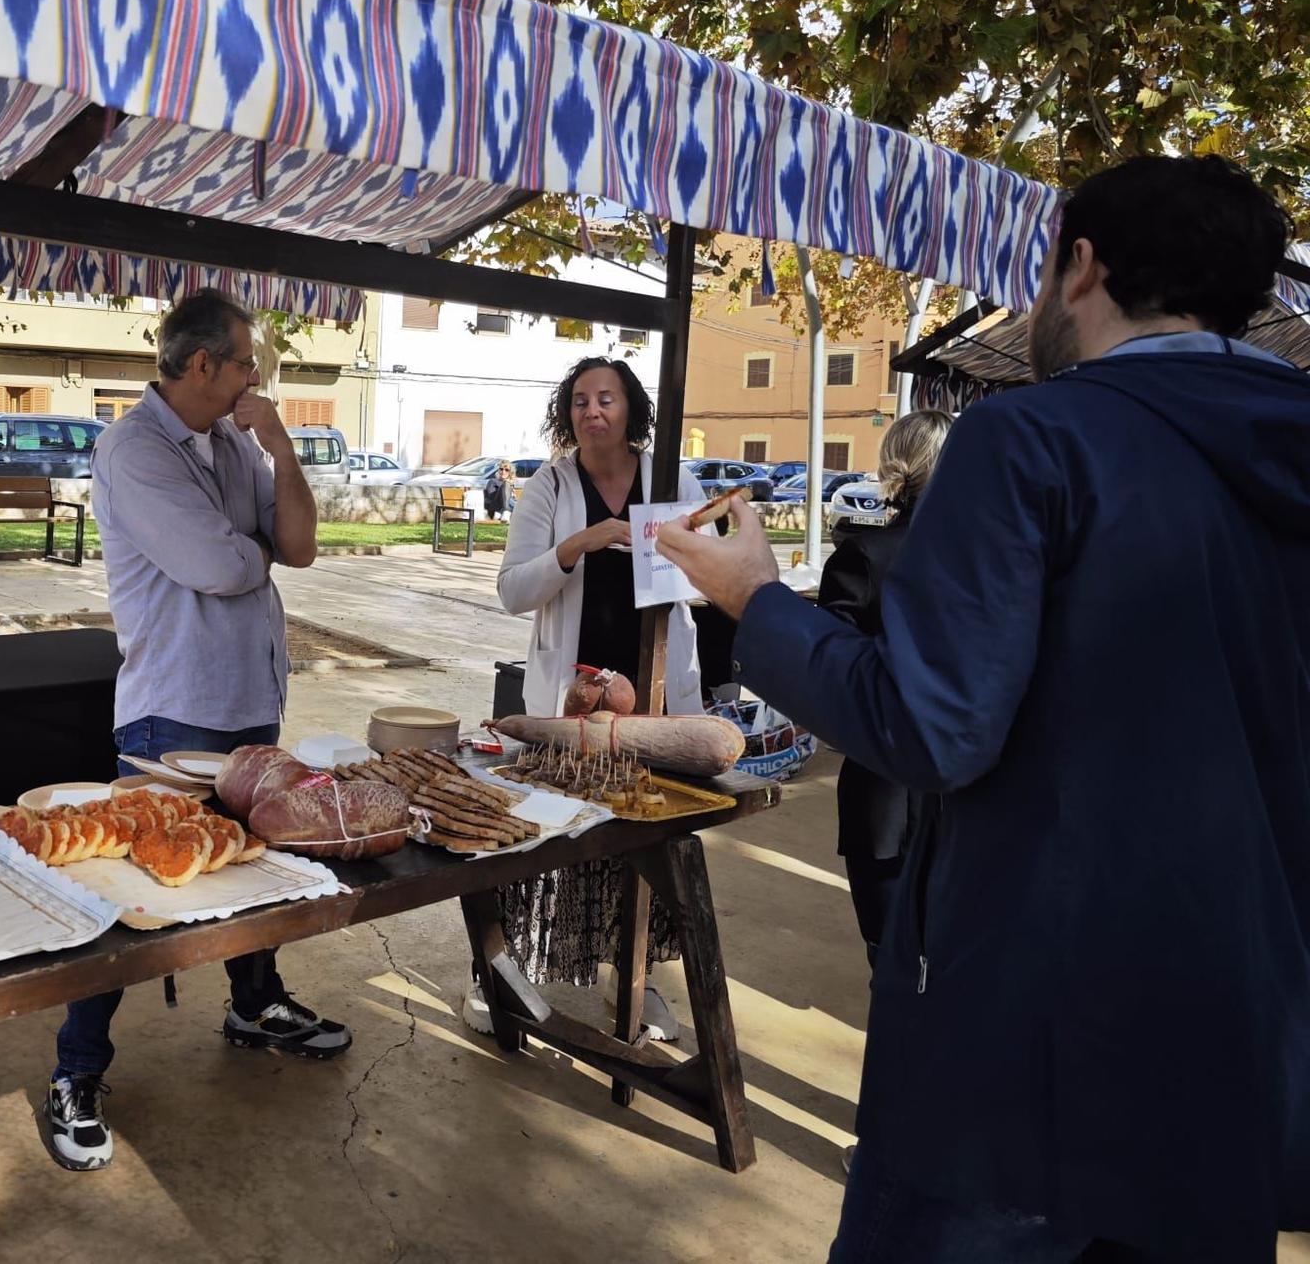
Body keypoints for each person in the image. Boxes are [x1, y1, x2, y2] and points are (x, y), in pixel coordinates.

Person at [657, 155, 1309, 1261]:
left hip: (1036, 1033)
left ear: (1081, 267)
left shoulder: (1033, 437)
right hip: (1244, 1016)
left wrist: (753, 601)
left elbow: (930, 727)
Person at [45, 288, 352, 1173]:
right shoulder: (135, 448)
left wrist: (282, 450)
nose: (259, 376)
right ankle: (77, 1070)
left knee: (248, 868)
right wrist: (245, 547)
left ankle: (255, 1004)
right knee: (131, 895)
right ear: (203, 363)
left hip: (248, 697)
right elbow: (221, 567)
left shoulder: (232, 440)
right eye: (249, 362)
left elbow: (298, 547)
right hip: (172, 706)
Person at [470, 356, 707, 1042]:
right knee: (545, 835)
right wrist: (580, 543)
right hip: (568, 695)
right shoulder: (550, 483)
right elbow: (513, 591)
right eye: (579, 400)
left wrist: (683, 556)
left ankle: (631, 980)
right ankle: (495, 974)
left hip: (652, 695)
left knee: (643, 836)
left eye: (606, 398)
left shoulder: (669, 478)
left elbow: (704, 574)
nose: (592, 410)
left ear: (631, 408)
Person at [817, 408, 951, 967]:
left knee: (894, 964)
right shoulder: (993, 556)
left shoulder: (864, 557)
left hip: (887, 798)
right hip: (967, 797)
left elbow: (828, 681)